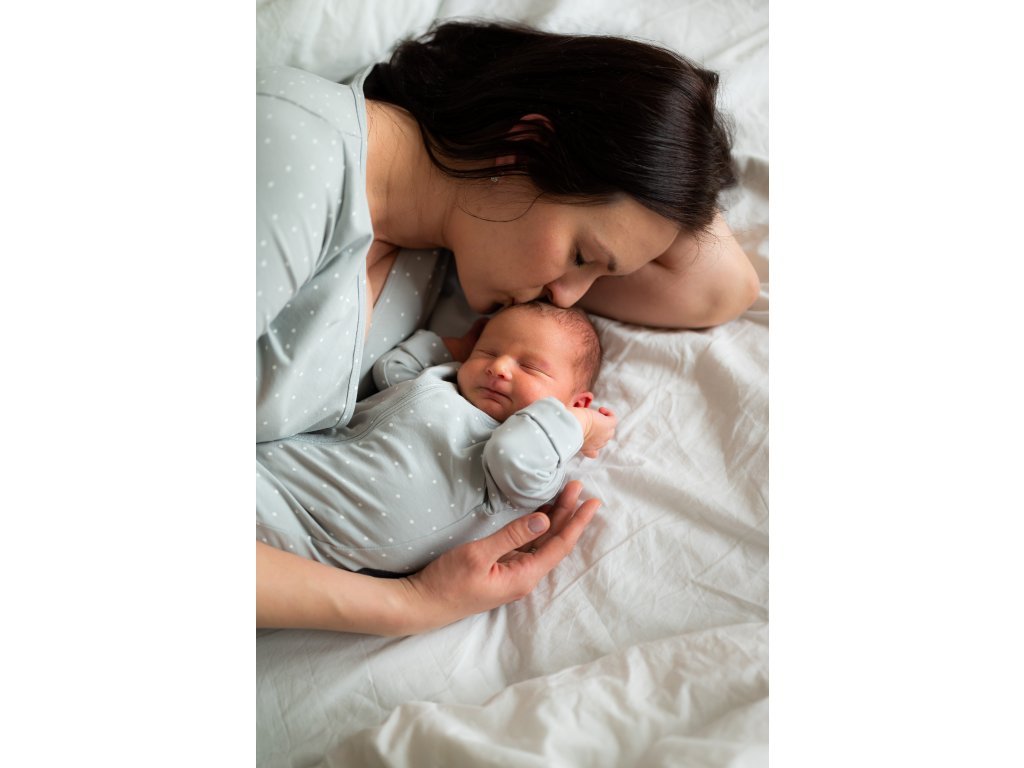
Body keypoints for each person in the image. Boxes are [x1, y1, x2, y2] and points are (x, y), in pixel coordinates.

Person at [256, 20, 760, 635]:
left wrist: (676, 155)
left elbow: (721, 290)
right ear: (525, 147)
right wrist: (410, 605)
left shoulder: (447, 247)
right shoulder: (292, 151)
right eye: (582, 256)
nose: (567, 297)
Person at [257, 301, 616, 576]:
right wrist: (457, 348)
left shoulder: (534, 467)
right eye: (488, 352)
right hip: (292, 470)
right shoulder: (445, 382)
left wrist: (582, 425)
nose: (499, 367)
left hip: (317, 531)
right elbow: (391, 369)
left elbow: (514, 452)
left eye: (530, 367)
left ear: (575, 404)